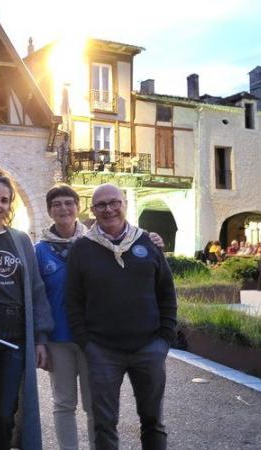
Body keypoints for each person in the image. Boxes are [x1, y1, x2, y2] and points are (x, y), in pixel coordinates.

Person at [35, 184, 165, 450]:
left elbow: (161, 289)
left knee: (96, 406)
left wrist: (165, 337)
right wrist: (40, 338)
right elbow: (39, 297)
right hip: (63, 336)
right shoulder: (43, 250)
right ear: (49, 210)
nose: (63, 209)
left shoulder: (99, 242)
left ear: (79, 207)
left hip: (95, 339)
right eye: (56, 204)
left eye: (68, 203)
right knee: (64, 403)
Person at [0, 171, 53, 450]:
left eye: (4, 200)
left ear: (10, 205)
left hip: (16, 331)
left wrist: (40, 337)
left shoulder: (20, 240)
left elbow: (36, 289)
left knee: (4, 413)